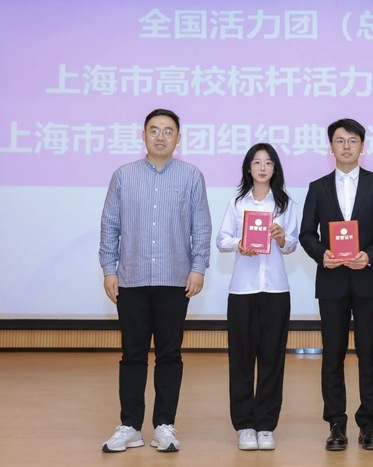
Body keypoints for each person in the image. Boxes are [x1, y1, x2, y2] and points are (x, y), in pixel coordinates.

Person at [99, 109, 212, 453]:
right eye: (154, 130)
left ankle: (164, 425)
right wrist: (108, 269)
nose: (160, 137)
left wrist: (199, 267)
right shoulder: (123, 175)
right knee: (132, 354)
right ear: (143, 135)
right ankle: (130, 426)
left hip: (175, 279)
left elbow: (201, 226)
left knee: (169, 355)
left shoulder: (191, 176)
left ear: (179, 138)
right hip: (131, 279)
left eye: (168, 131)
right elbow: (110, 224)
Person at [299, 118, 373, 451]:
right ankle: (336, 424)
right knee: (333, 355)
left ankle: (369, 424)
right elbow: (306, 233)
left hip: (369, 280)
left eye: (352, 140)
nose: (346, 146)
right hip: (332, 281)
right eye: (340, 141)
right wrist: (322, 254)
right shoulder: (318, 187)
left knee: (369, 354)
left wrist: (370, 256)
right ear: (331, 146)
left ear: (362, 146)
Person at [216, 143, 298, 451]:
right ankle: (244, 425)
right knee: (241, 359)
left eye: (268, 163)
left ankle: (265, 425)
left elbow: (292, 245)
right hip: (242, 290)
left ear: (275, 168)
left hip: (276, 290)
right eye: (256, 162)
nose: (262, 168)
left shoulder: (285, 205)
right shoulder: (237, 203)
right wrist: (240, 243)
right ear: (248, 168)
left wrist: (282, 238)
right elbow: (221, 240)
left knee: (272, 359)